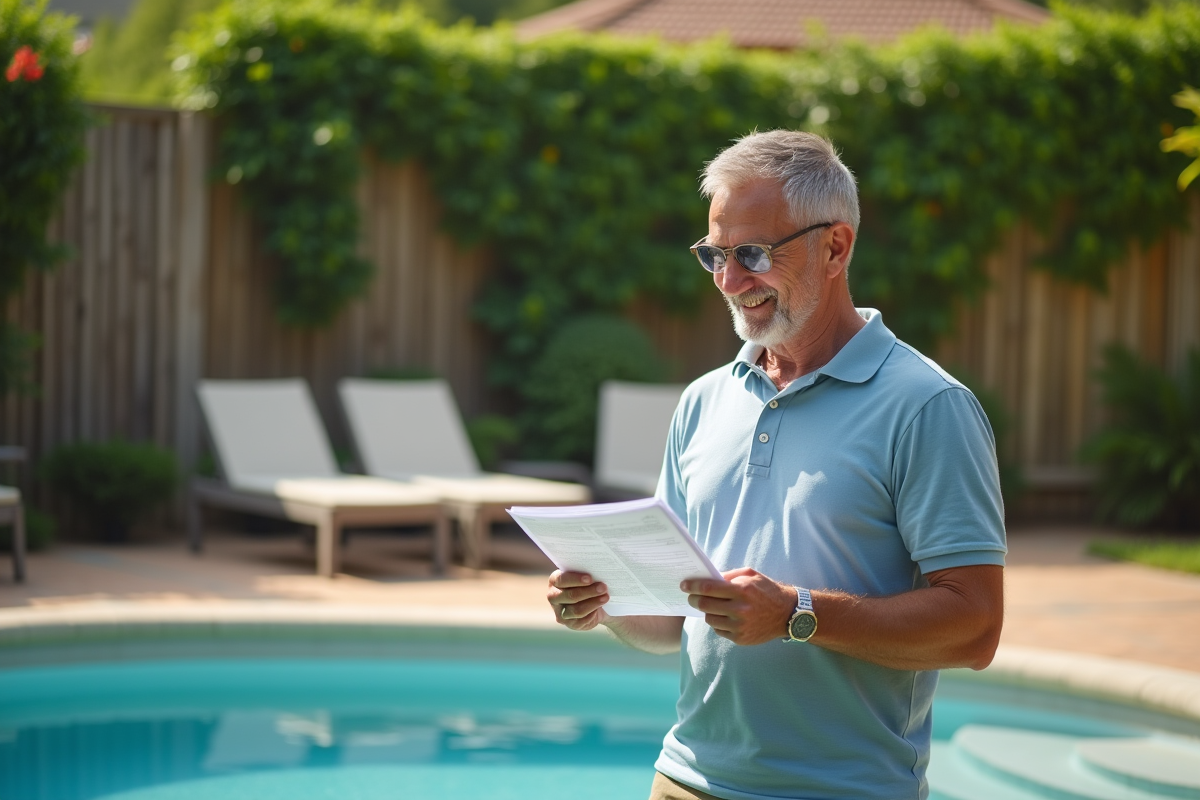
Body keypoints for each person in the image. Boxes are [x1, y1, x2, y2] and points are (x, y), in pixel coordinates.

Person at [546, 130, 1006, 800]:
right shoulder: (704, 400)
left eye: (754, 254)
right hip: (682, 780)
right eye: (715, 255)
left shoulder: (928, 406)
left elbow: (976, 628)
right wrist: (605, 603)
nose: (730, 282)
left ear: (835, 248)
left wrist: (797, 613)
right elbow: (672, 619)